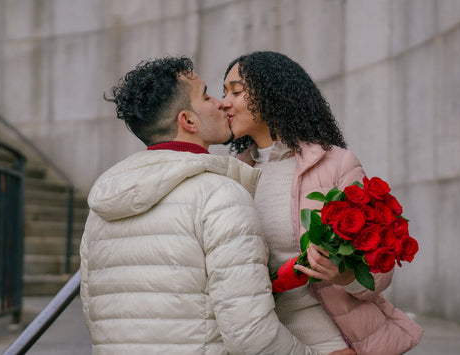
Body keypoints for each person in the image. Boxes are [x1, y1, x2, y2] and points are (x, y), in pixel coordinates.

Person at [79, 56, 351, 354]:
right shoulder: (221, 195)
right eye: (208, 95)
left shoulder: (103, 201)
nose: (221, 103)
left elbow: (92, 310)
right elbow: (250, 334)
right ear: (188, 121)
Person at [221, 51, 423, 355]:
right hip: (261, 342)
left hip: (333, 340)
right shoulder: (233, 177)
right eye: (224, 92)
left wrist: (346, 276)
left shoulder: (336, 164)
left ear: (271, 94)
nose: (224, 102)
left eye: (235, 91)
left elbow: (380, 270)